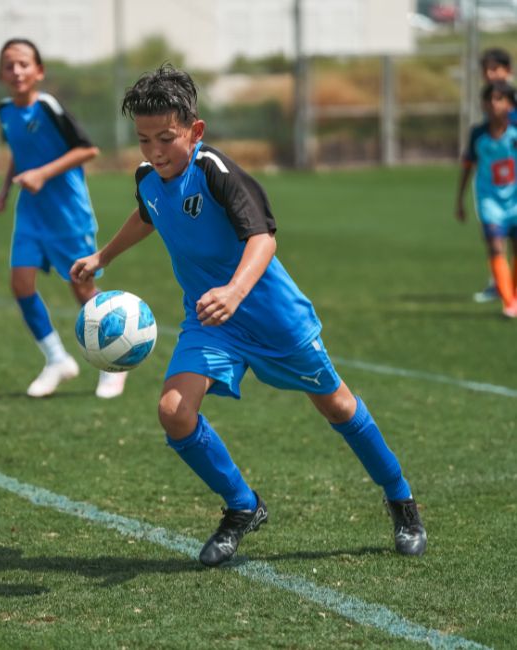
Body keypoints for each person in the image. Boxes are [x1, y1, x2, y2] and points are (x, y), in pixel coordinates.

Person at [70, 65, 427, 567]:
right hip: (210, 320)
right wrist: (103, 257)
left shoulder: (214, 169)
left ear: (195, 131)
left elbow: (262, 237)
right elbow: (149, 213)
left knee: (338, 408)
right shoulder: (148, 179)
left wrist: (235, 291)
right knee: (174, 411)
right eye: (143, 139)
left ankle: (401, 498)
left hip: (272, 316)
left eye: (166, 139)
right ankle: (243, 506)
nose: (153, 151)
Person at [0, 38, 127, 399]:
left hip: (68, 216)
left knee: (82, 290)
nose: (16, 71)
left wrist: (41, 174)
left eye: (24, 64)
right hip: (31, 215)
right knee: (21, 285)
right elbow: (18, 152)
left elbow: (88, 149)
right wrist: (7, 187)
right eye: (9, 65)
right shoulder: (5, 111)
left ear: (39, 71)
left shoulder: (48, 106)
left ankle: (114, 363)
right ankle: (57, 359)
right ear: (0, 74)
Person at [456, 80, 517, 319]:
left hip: (515, 198)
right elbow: (467, 166)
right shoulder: (478, 134)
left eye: (499, 99)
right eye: (489, 99)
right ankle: (508, 301)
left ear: (510, 103)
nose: (494, 105)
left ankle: (514, 295)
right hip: (490, 200)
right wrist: (460, 200)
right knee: (494, 244)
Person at [474, 48, 517, 303]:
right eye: (485, 71)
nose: (489, 75)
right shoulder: (490, 104)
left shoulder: (510, 109)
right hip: (494, 190)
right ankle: (501, 287)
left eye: (494, 69)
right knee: (496, 239)